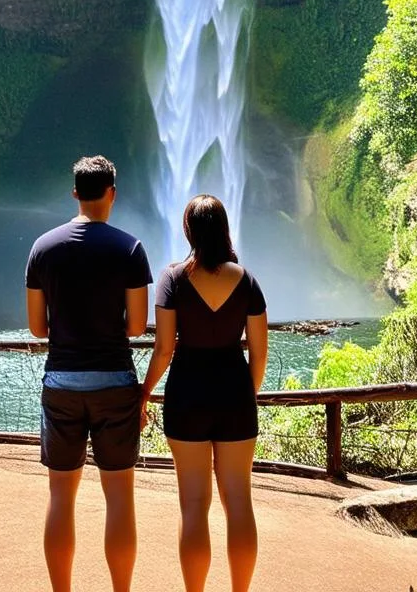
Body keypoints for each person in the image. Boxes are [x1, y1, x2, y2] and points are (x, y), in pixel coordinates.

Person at [25, 155, 152, 592]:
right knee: (120, 500)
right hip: (116, 382)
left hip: (61, 381)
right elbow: (136, 326)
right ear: (112, 194)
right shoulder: (130, 249)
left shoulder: (42, 248)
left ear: (75, 193)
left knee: (61, 499)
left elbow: (38, 327)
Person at [139, 194, 269, 592]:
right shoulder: (247, 281)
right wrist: (246, 394)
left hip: (187, 394)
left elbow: (164, 349)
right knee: (239, 503)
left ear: (189, 230)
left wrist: (143, 393)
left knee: (194, 506)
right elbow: (260, 352)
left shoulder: (172, 279)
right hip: (235, 395)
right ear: (224, 228)